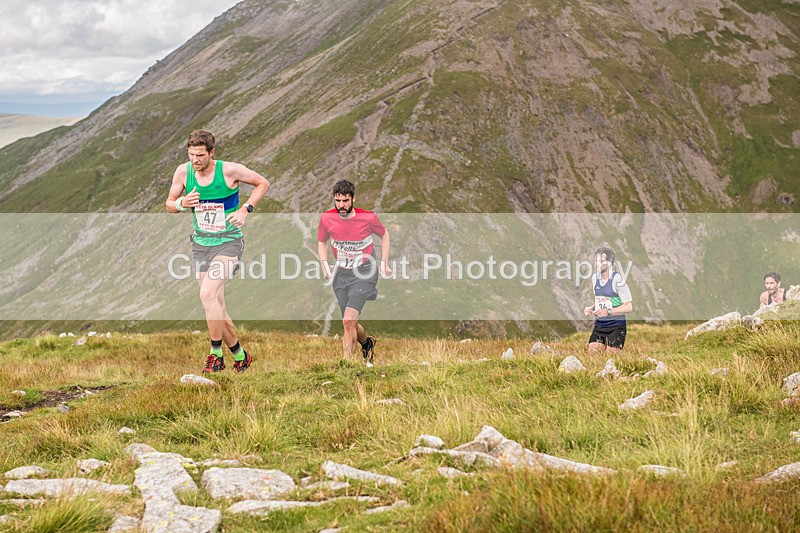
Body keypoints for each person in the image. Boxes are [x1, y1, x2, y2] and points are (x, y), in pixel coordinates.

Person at [166, 129, 270, 373]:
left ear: (212, 153)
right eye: (191, 155)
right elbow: (169, 203)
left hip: (228, 243)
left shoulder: (229, 171)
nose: (195, 160)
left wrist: (245, 209)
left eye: (200, 155)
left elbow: (262, 183)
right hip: (201, 244)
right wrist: (181, 204)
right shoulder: (183, 172)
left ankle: (215, 355)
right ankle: (241, 356)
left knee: (207, 293)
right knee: (215, 304)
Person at [318, 179, 391, 366]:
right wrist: (325, 265)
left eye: (345, 201)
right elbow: (322, 242)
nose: (341, 205)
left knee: (349, 320)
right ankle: (367, 343)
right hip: (341, 273)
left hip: (365, 272)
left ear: (353, 199)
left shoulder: (368, 218)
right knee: (348, 322)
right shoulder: (327, 218)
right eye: (337, 201)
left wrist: (384, 262)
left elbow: (384, 235)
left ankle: (347, 366)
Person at [583, 246, 633, 354]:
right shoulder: (595, 278)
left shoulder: (618, 280)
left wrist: (608, 311)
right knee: (592, 358)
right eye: (596, 260)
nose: (597, 264)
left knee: (611, 361)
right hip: (600, 325)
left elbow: (629, 307)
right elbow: (601, 299)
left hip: (616, 327)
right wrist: (591, 308)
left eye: (601, 261)